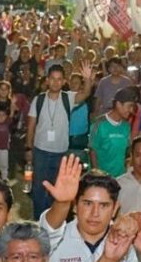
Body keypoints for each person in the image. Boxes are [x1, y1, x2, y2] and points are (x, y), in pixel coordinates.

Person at [25, 61, 95, 219]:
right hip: (40, 151)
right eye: (52, 78)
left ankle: (51, 222)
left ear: (64, 81)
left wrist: (87, 79)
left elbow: (85, 94)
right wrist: (28, 148)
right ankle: (38, 221)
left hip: (60, 152)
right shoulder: (39, 100)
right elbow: (31, 125)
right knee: (38, 189)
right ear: (47, 80)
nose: (56, 82)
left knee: (56, 190)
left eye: (59, 79)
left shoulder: (68, 98)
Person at [89, 87, 137, 178]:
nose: (131, 110)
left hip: (120, 177)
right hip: (102, 177)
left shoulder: (126, 126)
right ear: (118, 104)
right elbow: (92, 151)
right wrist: (97, 175)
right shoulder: (99, 123)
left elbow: (127, 150)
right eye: (129, 106)